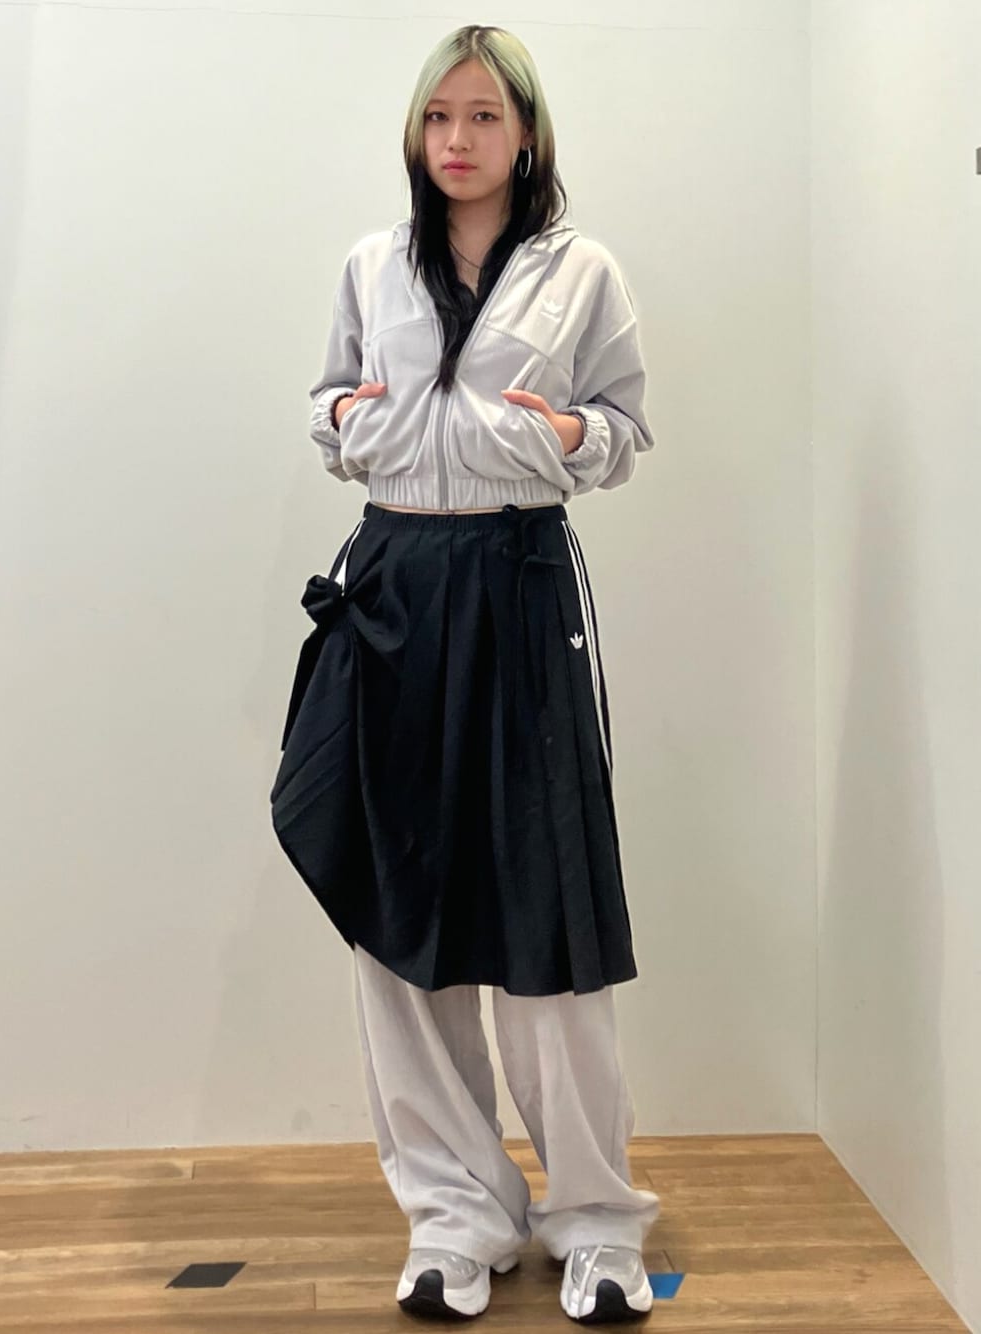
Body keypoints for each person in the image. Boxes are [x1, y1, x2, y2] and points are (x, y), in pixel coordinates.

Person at [270, 23, 661, 1324]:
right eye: (438, 116)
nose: (457, 138)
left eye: (484, 115)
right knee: (402, 918)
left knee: (548, 918)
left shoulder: (580, 270)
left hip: (522, 585)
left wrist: (569, 433)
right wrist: (347, 418)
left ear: (526, 133)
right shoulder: (371, 263)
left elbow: (623, 428)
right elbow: (330, 402)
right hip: (393, 588)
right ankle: (455, 1216)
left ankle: (595, 1220)